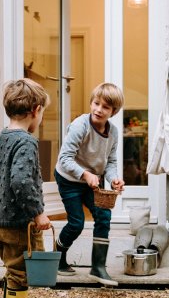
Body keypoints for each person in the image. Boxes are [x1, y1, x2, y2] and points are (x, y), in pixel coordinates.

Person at [0, 78, 51, 298]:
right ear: (35, 110)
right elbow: (22, 181)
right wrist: (37, 213)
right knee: (20, 273)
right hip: (18, 224)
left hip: (1, 219)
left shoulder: (1, 137)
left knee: (12, 270)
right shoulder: (26, 142)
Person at [54, 82, 125, 286]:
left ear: (113, 111)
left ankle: (98, 268)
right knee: (76, 222)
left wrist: (113, 179)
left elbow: (110, 162)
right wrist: (85, 174)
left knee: (104, 216)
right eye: (96, 103)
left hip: (92, 179)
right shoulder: (80, 125)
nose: (98, 109)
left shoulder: (113, 132)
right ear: (91, 102)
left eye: (105, 107)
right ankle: (59, 256)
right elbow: (65, 158)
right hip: (69, 178)